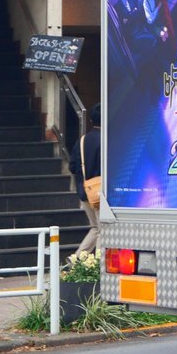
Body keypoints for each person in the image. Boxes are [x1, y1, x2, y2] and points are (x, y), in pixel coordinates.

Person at [68, 103, 102, 255]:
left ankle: (77, 259)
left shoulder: (81, 141)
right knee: (102, 230)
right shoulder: (107, 141)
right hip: (100, 193)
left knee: (95, 228)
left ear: (90, 121)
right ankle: (98, 263)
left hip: (85, 192)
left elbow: (72, 166)